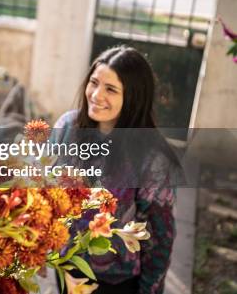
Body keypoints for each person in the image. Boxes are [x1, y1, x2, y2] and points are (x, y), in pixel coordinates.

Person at [53, 46, 177, 294]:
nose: (97, 95)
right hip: (66, 266)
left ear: (132, 97)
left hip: (115, 283)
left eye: (111, 89)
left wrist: (150, 290)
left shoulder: (152, 160)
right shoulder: (67, 127)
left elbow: (161, 238)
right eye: (94, 82)